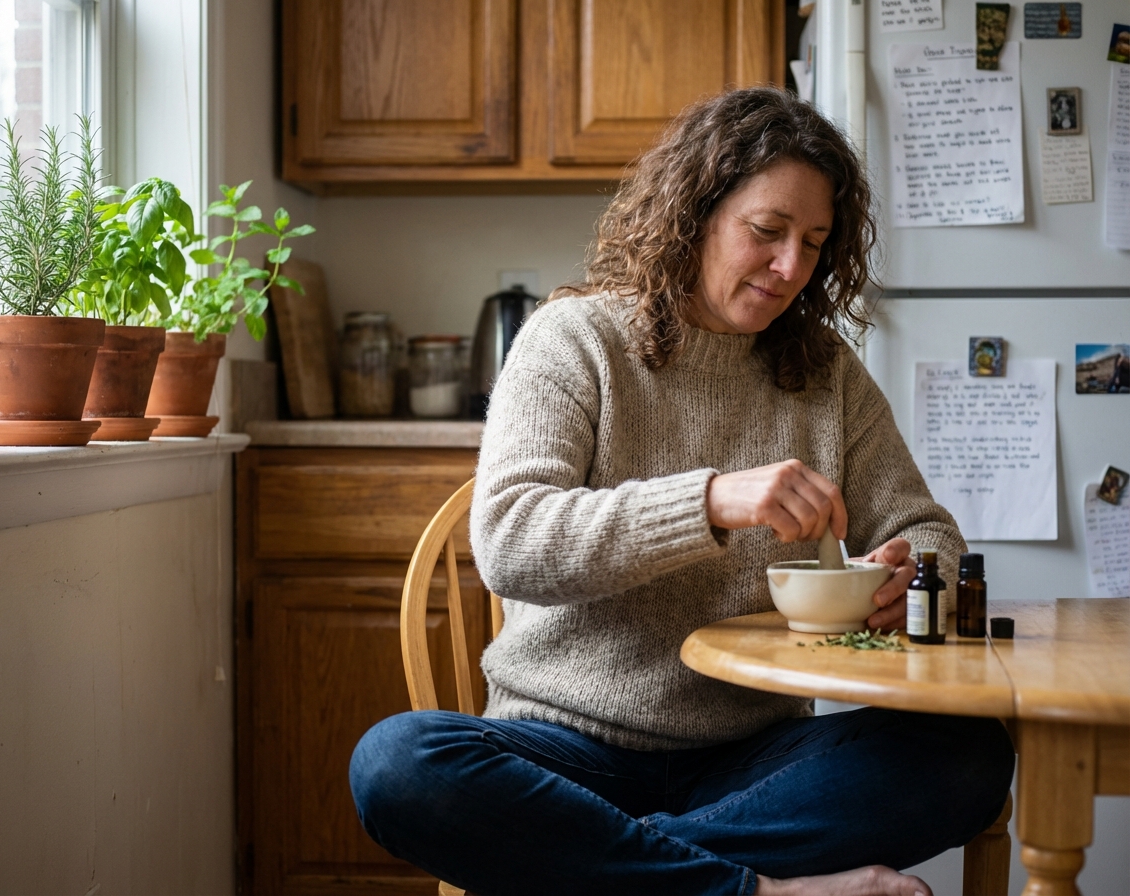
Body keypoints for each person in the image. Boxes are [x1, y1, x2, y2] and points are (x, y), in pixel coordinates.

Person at [350, 88, 1014, 896]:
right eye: (767, 232)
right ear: (695, 212)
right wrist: (707, 503)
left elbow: (927, 527)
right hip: (561, 753)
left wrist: (916, 573)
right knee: (397, 763)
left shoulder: (827, 376)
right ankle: (754, 891)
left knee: (969, 751)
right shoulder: (576, 341)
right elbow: (511, 543)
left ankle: (596, 873)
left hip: (751, 762)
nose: (790, 268)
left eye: (813, 243)